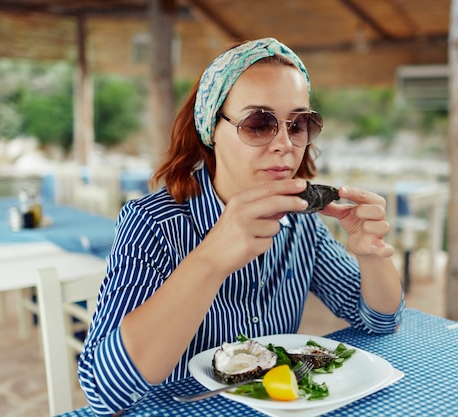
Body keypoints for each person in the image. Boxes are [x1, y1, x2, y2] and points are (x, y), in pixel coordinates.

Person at [78, 37, 405, 416]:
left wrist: (372, 256)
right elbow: (102, 392)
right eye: (259, 123)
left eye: (298, 124)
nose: (284, 144)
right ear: (210, 130)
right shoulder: (154, 223)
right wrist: (210, 259)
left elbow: (382, 321)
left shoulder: (300, 226)